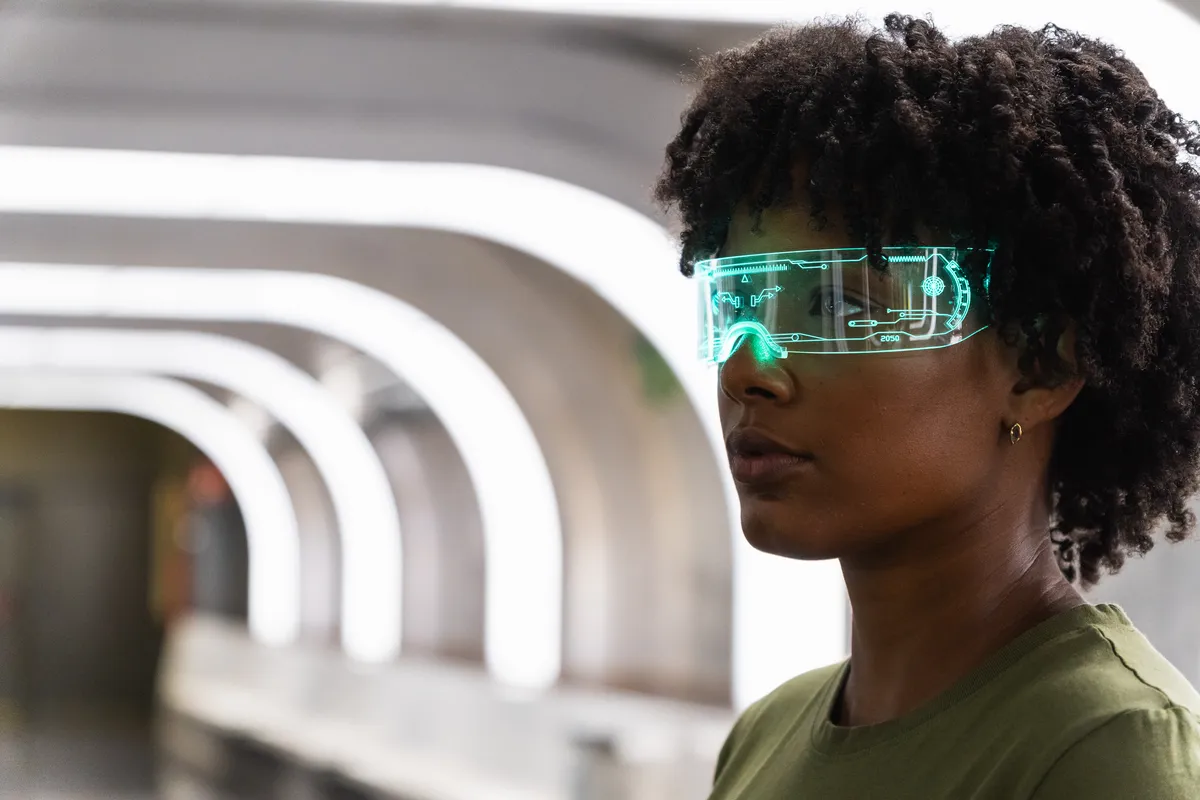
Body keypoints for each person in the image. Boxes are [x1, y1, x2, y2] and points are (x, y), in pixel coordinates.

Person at [654, 14, 1200, 798]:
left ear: (1039, 365)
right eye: (738, 302)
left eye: (840, 307)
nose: (749, 368)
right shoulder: (765, 735)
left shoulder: (1112, 751)